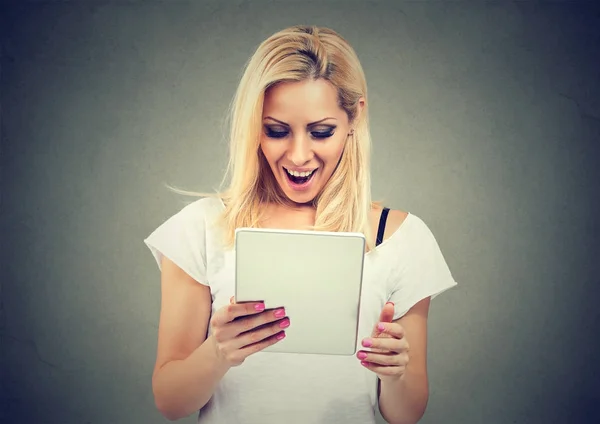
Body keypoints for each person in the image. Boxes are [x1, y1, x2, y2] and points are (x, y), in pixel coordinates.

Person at [144, 25, 457, 424]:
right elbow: (171, 402)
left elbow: (406, 414)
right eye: (276, 131)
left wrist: (394, 373)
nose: (298, 155)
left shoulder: (399, 238)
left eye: (321, 132)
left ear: (354, 118)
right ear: (252, 126)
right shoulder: (202, 227)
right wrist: (217, 351)